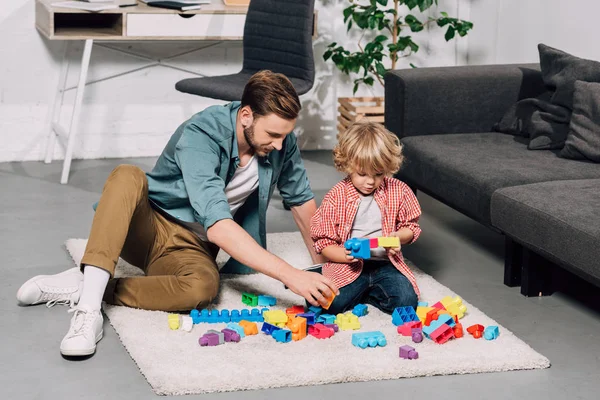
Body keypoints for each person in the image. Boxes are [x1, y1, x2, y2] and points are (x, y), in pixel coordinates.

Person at [16, 70, 338, 357]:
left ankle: (92, 287)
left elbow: (301, 203)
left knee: (203, 288)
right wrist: (290, 275)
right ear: (245, 116)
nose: (281, 145)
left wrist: (325, 269)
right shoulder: (202, 133)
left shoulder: (281, 142)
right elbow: (219, 225)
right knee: (128, 175)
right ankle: (87, 313)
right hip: (147, 226)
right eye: (273, 135)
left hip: (191, 247)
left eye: (285, 135)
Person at [309, 121, 421, 315]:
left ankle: (366, 293)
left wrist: (398, 237)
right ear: (348, 165)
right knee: (327, 303)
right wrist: (343, 255)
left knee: (406, 302)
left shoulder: (398, 190)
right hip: (348, 265)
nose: (370, 182)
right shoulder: (337, 196)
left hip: (386, 263)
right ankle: (344, 285)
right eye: (362, 174)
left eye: (378, 174)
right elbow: (324, 242)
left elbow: (411, 227)